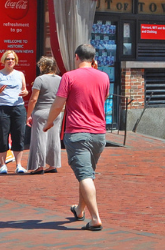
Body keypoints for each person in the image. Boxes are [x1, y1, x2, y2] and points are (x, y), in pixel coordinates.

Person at [44, 43, 110, 231]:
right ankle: (80, 210)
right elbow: (103, 98)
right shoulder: (104, 77)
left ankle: (95, 218)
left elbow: (58, 104)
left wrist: (49, 122)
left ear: (76, 57)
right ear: (93, 59)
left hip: (77, 132)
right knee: (87, 174)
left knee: (85, 175)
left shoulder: (69, 76)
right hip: (98, 133)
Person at [0, 49, 29, 175]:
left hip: (18, 107)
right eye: (8, 59)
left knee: (19, 135)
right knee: (2, 136)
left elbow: (24, 90)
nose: (10, 61)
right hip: (1, 108)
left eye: (12, 59)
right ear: (3, 61)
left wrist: (25, 92)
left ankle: (19, 165)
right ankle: (2, 165)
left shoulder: (20, 74)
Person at [26, 56, 62, 173]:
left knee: (39, 138)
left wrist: (28, 115)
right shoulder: (60, 79)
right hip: (56, 112)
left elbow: (33, 99)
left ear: (43, 66)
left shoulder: (40, 80)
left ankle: (39, 166)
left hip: (41, 111)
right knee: (54, 138)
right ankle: (53, 165)